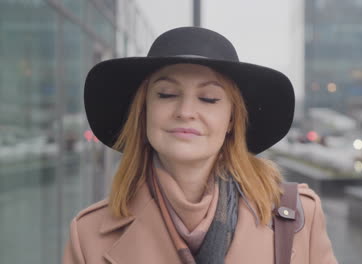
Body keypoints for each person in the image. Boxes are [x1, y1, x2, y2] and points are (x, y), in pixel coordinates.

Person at [63, 27, 337, 264]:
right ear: (144, 111)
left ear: (232, 119)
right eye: (167, 94)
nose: (185, 111)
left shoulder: (296, 217)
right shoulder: (88, 234)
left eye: (208, 98)